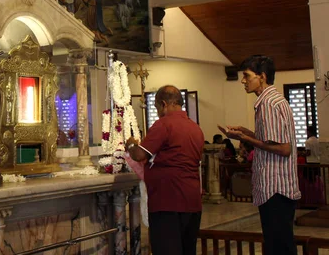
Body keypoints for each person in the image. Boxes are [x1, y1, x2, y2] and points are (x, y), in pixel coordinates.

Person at [218, 55, 300, 255]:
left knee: (279, 247)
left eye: (247, 76)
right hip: (279, 186)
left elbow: (283, 149)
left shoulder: (268, 104)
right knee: (279, 244)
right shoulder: (274, 99)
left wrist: (245, 139)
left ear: (262, 76)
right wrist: (245, 133)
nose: (243, 81)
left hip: (276, 188)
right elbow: (271, 140)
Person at [125, 85, 204, 255]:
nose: (158, 112)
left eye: (156, 107)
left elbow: (139, 154)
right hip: (192, 201)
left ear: (163, 104)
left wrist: (131, 143)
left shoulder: (164, 124)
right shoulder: (195, 127)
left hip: (168, 201)